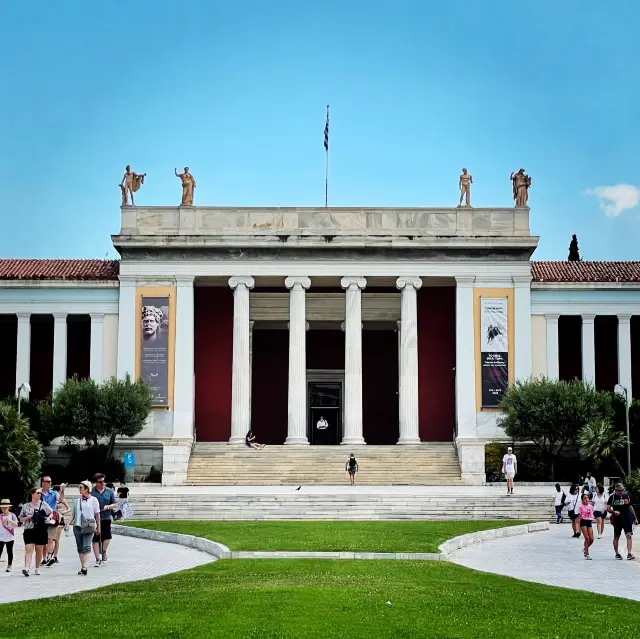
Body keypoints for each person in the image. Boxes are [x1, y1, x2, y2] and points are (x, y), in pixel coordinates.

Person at [19, 487, 53, 576]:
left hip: (40, 530)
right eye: (37, 493)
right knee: (29, 549)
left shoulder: (43, 504)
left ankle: (37, 568)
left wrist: (49, 518)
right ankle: (27, 568)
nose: (39, 494)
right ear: (32, 494)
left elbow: (52, 512)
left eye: (40, 493)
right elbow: (20, 519)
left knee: (39, 550)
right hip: (29, 530)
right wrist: (28, 517)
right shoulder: (26, 506)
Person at [70, 480, 101, 576]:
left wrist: (98, 527)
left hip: (89, 525)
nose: (79, 489)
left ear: (87, 489)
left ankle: (84, 567)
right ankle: (83, 566)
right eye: (79, 487)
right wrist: (68, 523)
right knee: (80, 547)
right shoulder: (77, 501)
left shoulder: (94, 500)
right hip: (77, 526)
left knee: (86, 546)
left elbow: (97, 514)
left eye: (81, 487)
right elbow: (73, 514)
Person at [90, 473, 118, 566]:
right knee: (95, 538)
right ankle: (97, 558)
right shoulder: (92, 493)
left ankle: (104, 551)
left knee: (106, 536)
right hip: (94, 519)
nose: (102, 483)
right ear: (96, 483)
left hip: (106, 517)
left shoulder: (109, 491)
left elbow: (114, 504)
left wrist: (109, 506)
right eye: (100, 482)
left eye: (103, 481)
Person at [607, 482, 638, 560]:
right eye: (619, 490)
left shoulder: (626, 496)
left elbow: (630, 507)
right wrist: (613, 512)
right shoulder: (612, 497)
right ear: (616, 490)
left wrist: (634, 518)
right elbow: (608, 508)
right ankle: (617, 553)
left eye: (622, 490)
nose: (621, 492)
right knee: (616, 536)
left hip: (627, 519)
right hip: (617, 520)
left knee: (629, 535)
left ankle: (629, 554)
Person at [39, 476, 59, 567]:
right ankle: (44, 558)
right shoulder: (38, 493)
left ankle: (50, 556)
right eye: (48, 481)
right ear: (43, 483)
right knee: (43, 540)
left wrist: (62, 491)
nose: (50, 483)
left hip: (52, 518)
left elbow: (61, 500)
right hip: (42, 519)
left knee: (50, 539)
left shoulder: (54, 493)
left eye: (51, 481)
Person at [51, 483, 71, 564]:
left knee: (56, 539)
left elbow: (69, 508)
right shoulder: (52, 499)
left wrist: (63, 512)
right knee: (50, 538)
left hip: (59, 519)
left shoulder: (62, 499)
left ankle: (55, 556)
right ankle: (50, 554)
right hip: (52, 519)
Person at [0, 498, 19, 572]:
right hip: (1, 537)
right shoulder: (0, 516)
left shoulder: (12, 515)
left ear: (9, 508)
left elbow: (17, 525)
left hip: (10, 536)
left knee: (9, 551)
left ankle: (9, 565)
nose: (4, 509)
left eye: (6, 508)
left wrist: (10, 520)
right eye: (3, 508)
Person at [578, 493, 595, 560]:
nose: (586, 499)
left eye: (587, 498)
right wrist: (579, 528)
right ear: (582, 500)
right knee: (586, 538)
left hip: (589, 522)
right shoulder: (580, 506)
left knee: (592, 539)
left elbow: (592, 514)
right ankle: (587, 554)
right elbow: (579, 517)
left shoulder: (591, 506)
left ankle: (585, 548)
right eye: (584, 498)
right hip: (583, 522)